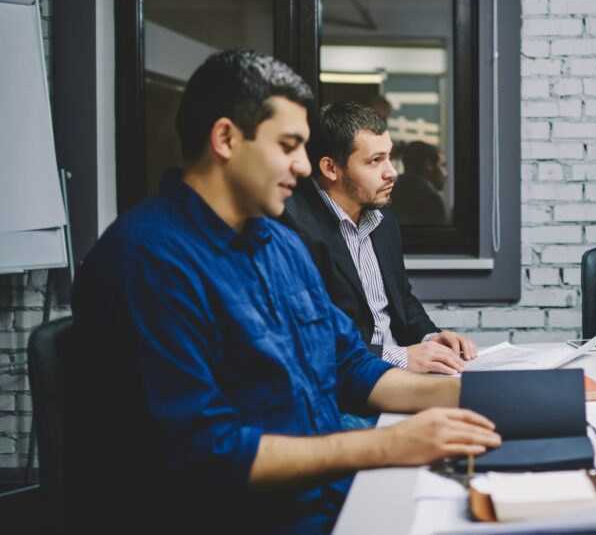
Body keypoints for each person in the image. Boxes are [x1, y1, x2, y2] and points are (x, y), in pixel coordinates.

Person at [69, 51, 499, 534]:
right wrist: (390, 446)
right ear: (226, 138)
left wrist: (472, 395)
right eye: (290, 146)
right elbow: (205, 452)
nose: (303, 166)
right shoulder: (147, 261)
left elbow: (349, 364)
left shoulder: (277, 244)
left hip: (328, 492)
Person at [279, 102, 476, 376]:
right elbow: (309, 337)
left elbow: (403, 300)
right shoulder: (290, 226)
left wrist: (429, 338)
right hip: (349, 383)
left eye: (390, 157)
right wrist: (401, 356)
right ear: (330, 168)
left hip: (401, 373)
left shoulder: (382, 217)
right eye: (375, 160)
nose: (392, 171)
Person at [390, 140, 449, 226]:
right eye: (442, 165)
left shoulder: (388, 194)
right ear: (429, 165)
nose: (446, 174)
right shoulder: (431, 200)